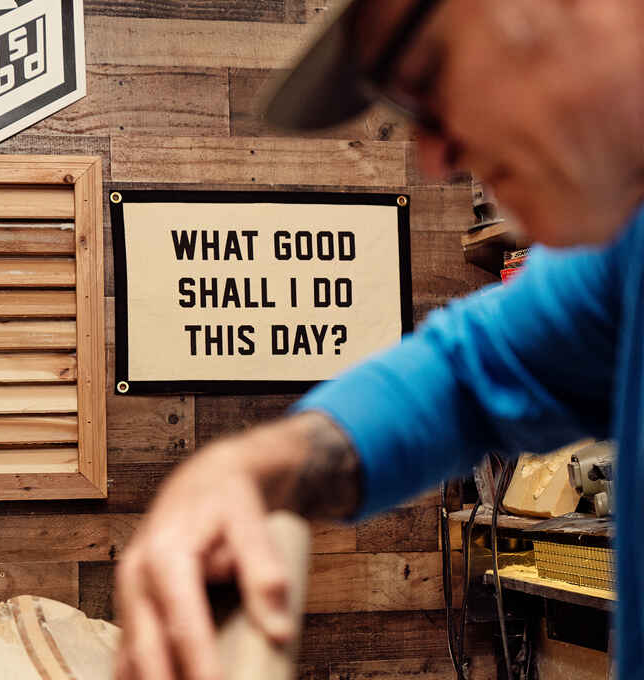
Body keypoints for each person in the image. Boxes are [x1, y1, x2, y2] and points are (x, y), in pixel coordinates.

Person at [114, 0, 644, 678]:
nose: (436, 158)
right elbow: (464, 373)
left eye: (428, 75)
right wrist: (241, 469)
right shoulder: (622, 252)